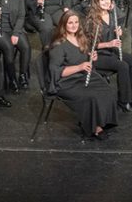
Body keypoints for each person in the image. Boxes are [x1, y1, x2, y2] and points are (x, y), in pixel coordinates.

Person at [46, 10, 117, 139]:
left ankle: (103, 120)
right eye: (70, 23)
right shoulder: (58, 45)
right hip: (66, 82)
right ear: (64, 25)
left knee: (105, 89)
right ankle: (95, 126)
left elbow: (83, 57)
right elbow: (56, 71)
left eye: (76, 22)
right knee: (90, 96)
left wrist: (91, 57)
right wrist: (79, 67)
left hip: (83, 75)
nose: (74, 25)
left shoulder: (81, 38)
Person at [87, 0, 132, 112]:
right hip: (98, 55)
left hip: (111, 51)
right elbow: (88, 45)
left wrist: (119, 35)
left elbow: (115, 38)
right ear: (96, 2)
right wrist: (109, 43)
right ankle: (124, 101)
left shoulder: (112, 16)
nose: (106, 1)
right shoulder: (92, 20)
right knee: (122, 66)